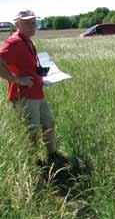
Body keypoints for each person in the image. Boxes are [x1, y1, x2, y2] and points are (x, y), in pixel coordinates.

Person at [0, 10, 68, 165]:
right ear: (17, 24)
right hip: (24, 96)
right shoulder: (14, 42)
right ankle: (35, 162)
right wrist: (17, 80)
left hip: (37, 93)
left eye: (33, 22)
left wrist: (42, 77)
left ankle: (52, 155)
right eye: (27, 22)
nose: (32, 25)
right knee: (32, 132)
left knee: (49, 124)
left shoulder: (27, 40)